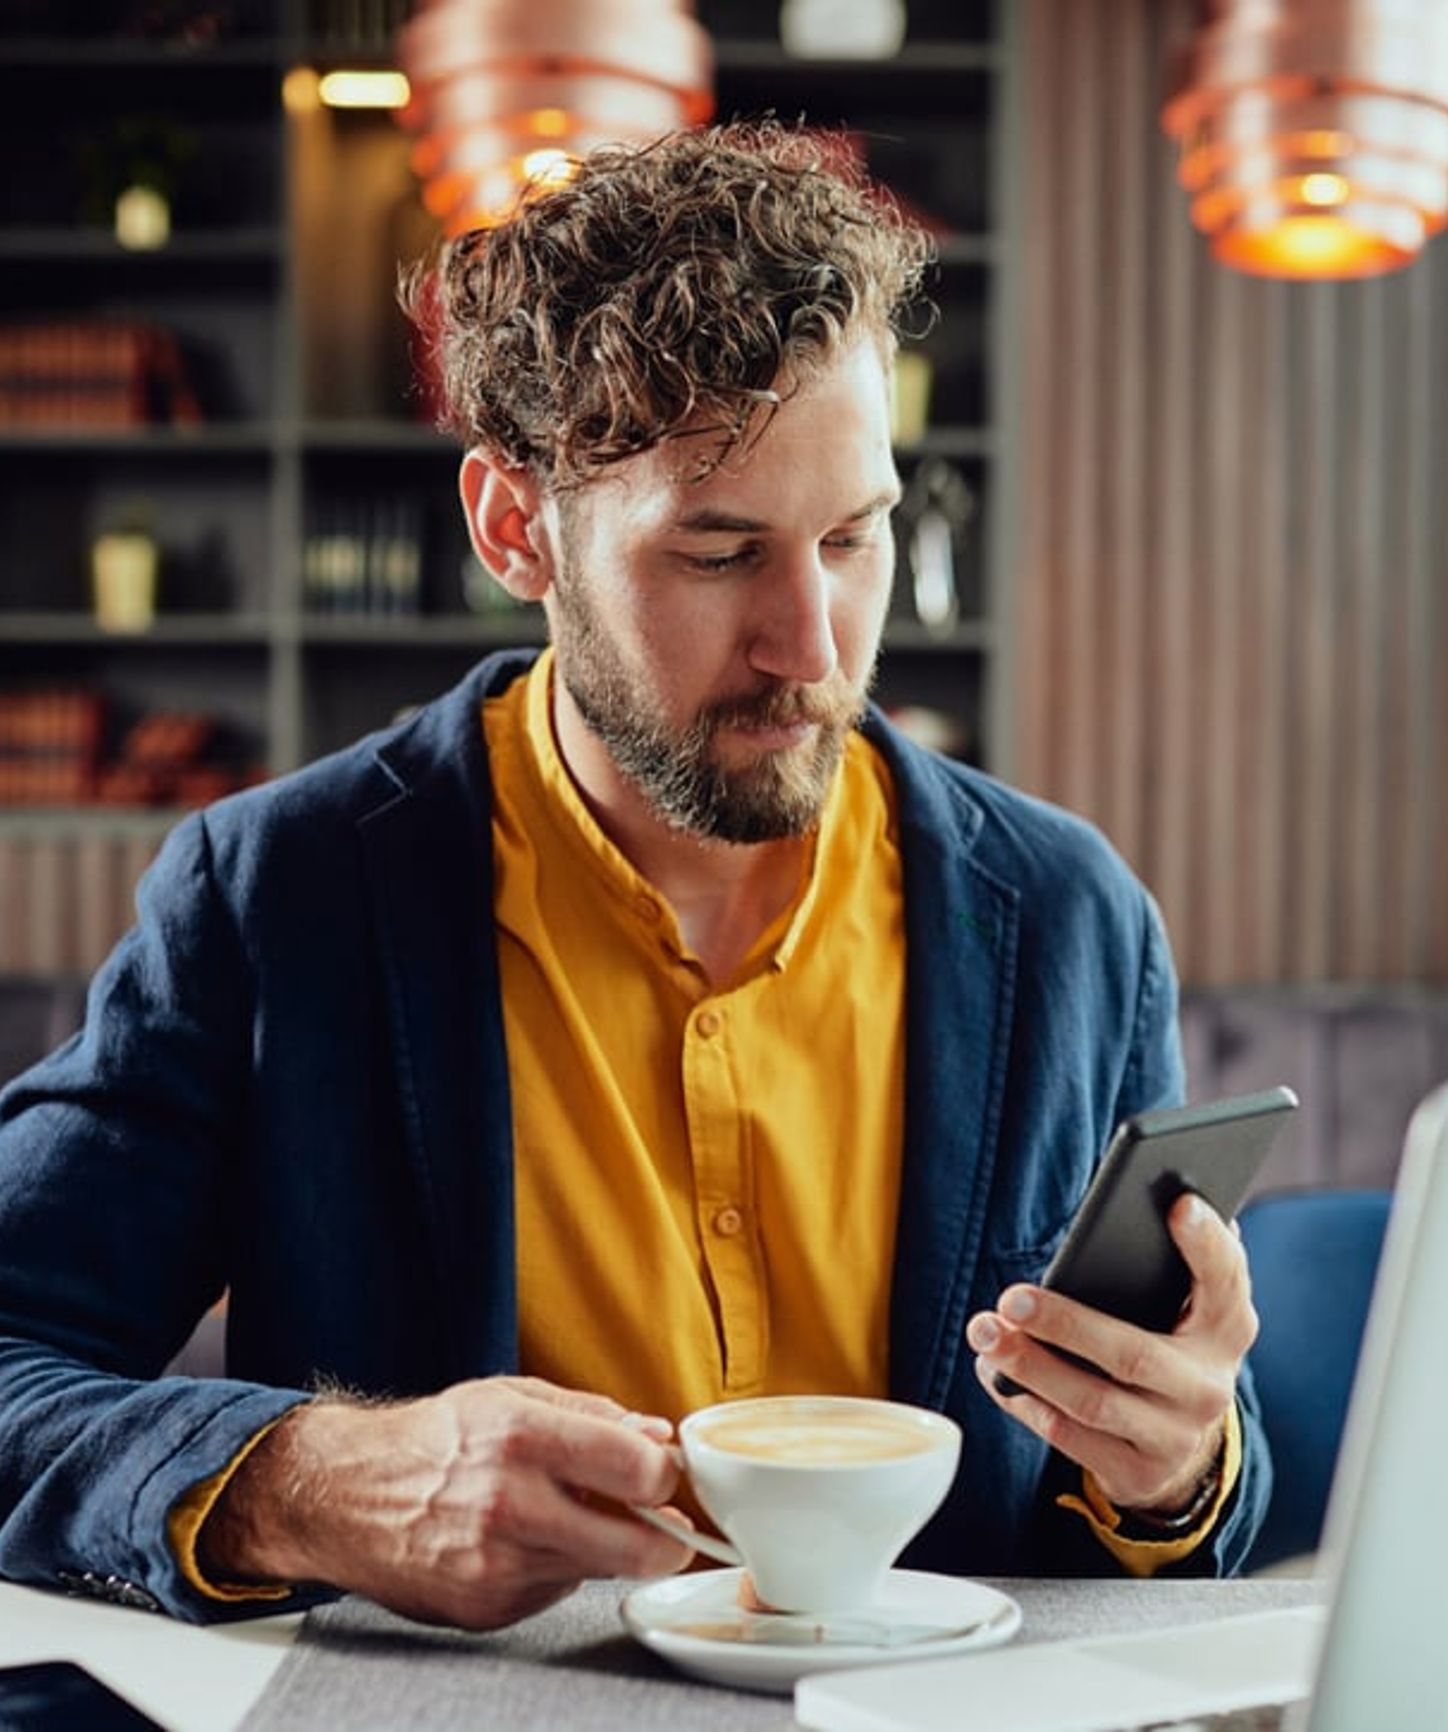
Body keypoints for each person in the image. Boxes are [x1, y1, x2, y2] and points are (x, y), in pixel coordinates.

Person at [0, 122, 1267, 1630]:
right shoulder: (276, 900)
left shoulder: (1073, 922)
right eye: (721, 554)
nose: (814, 647)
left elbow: (1142, 1507)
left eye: (854, 537)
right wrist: (315, 1484)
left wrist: (1181, 1465)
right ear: (514, 526)